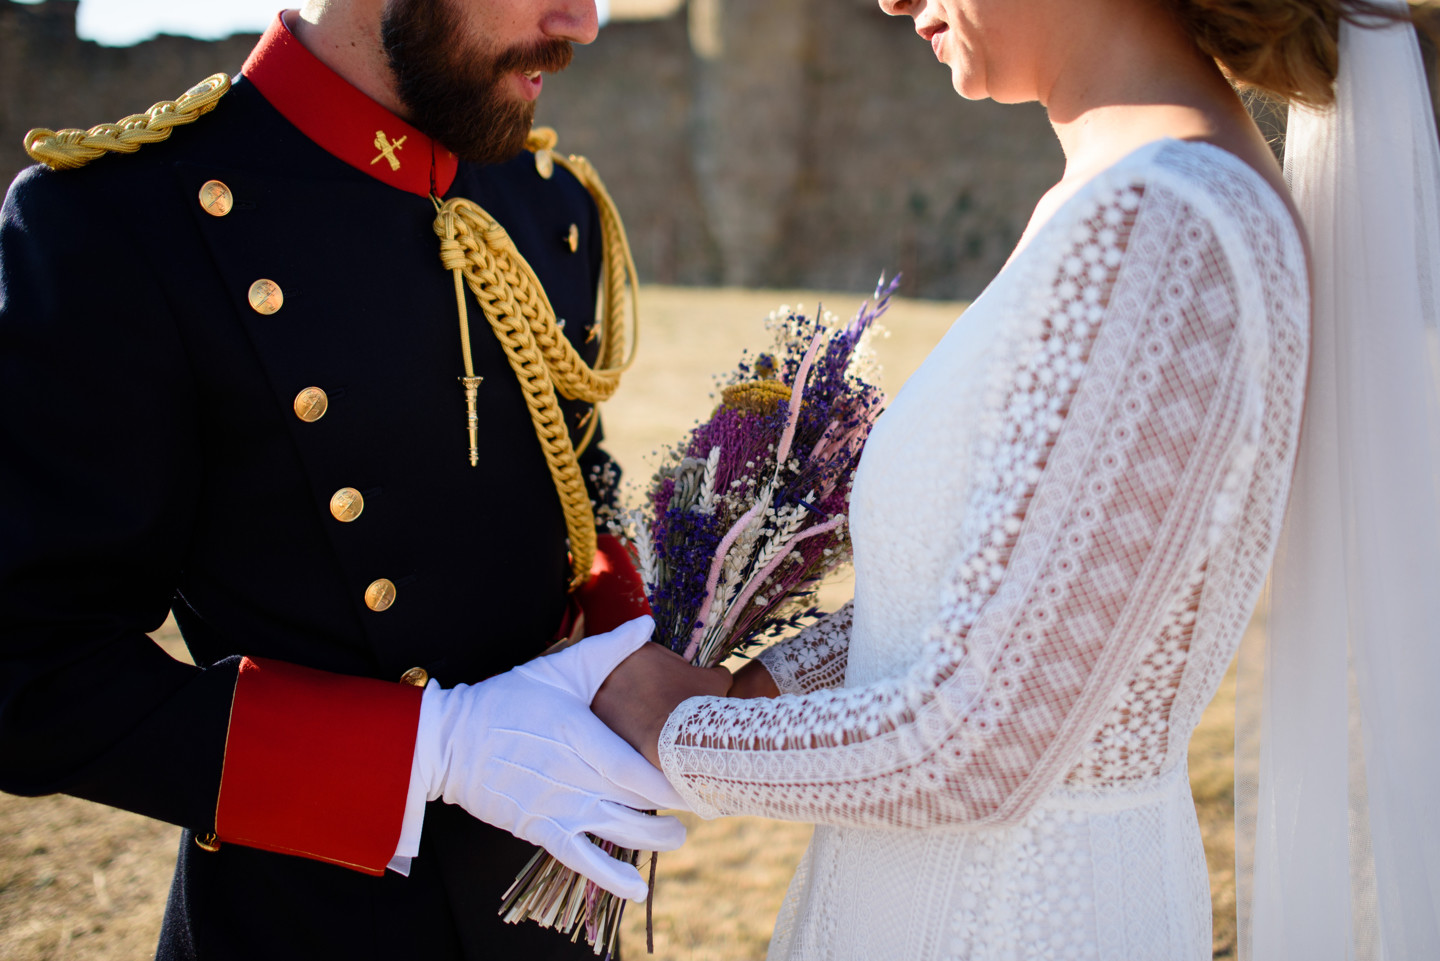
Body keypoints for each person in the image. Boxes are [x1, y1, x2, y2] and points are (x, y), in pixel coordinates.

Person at [590, 0, 1440, 958]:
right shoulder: (1118, 195)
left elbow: (980, 749)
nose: (889, 1)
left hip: (1022, 917)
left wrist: (678, 730)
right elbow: (986, 604)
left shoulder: (1168, 223)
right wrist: (758, 690)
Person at [0, 2, 714, 959]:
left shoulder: (546, 201)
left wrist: (633, 645)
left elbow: (576, 488)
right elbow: (34, 674)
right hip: (305, 924)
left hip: (555, 905)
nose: (582, 23)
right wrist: (437, 749)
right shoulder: (121, 220)